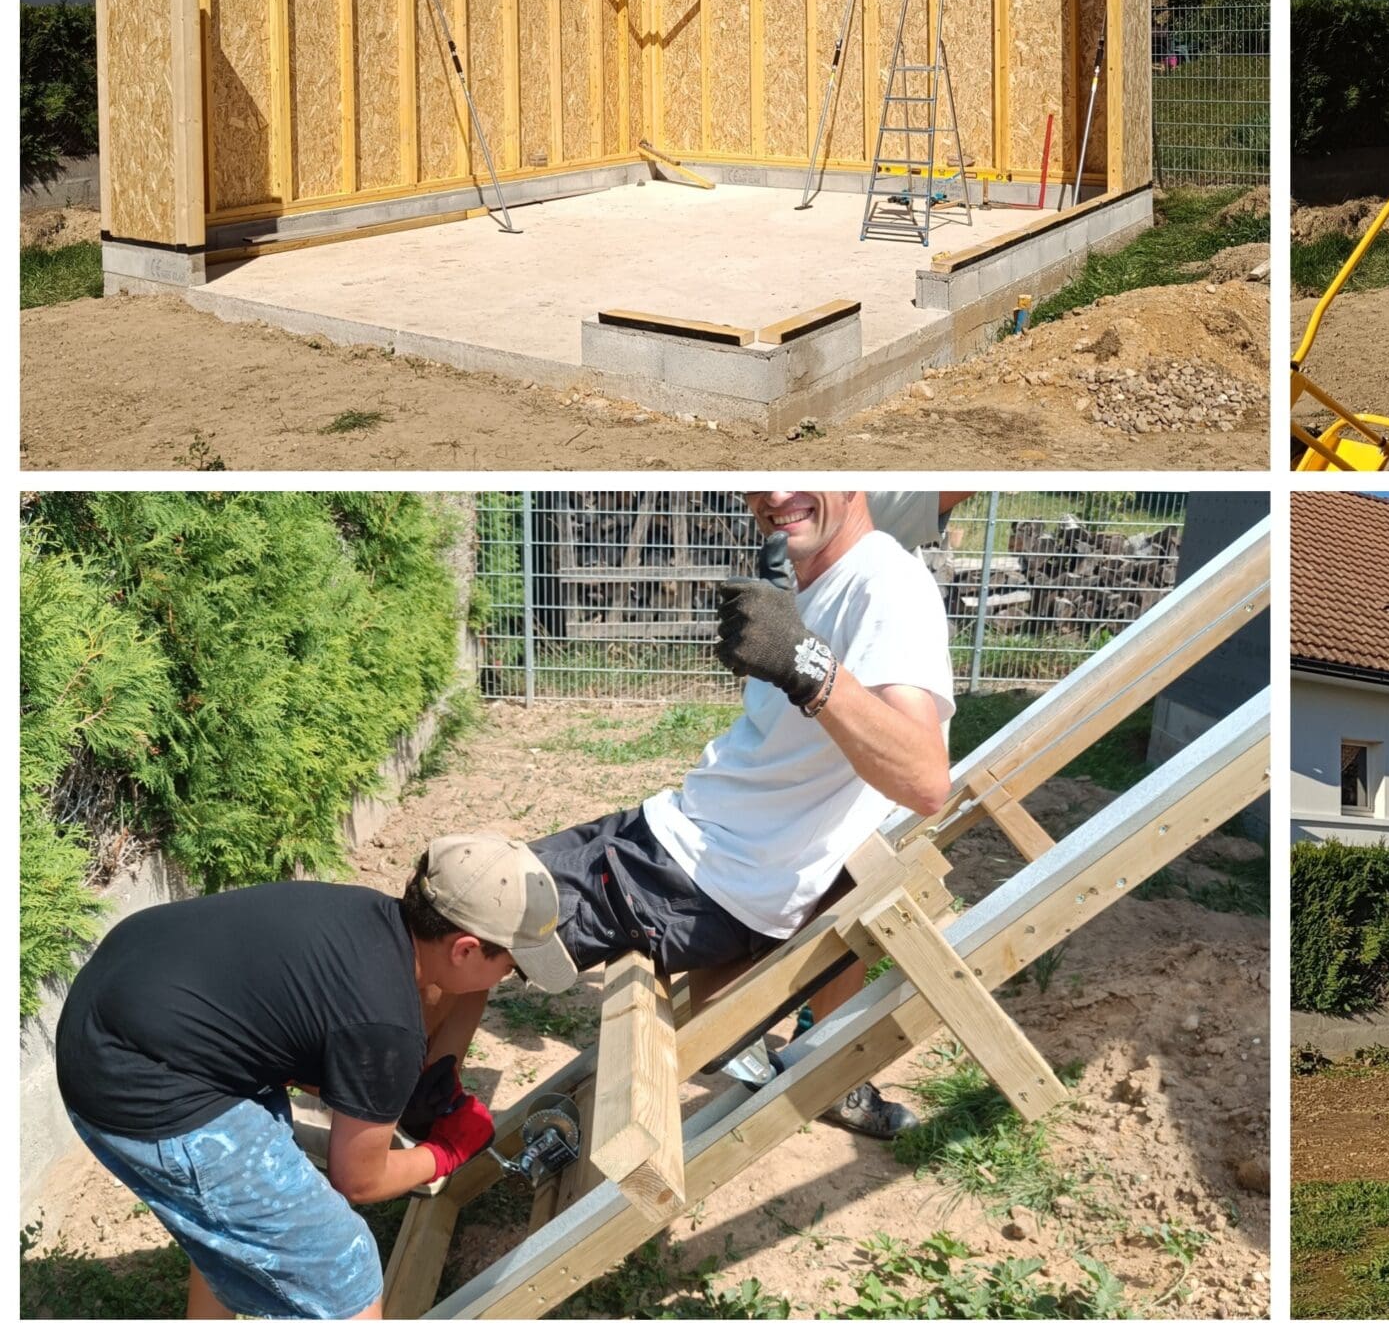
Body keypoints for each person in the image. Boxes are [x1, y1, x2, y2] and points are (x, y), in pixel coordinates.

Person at [447, 492, 957, 1142]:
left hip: (705, 881)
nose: (775, 495)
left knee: (462, 915)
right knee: (468, 880)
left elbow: (925, 779)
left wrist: (808, 668)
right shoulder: (812, 581)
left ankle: (407, 1125)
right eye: (757, 477)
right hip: (677, 830)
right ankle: (427, 1104)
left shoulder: (886, 585)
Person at [53, 835, 574, 1320]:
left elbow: (298, 1027)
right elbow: (359, 1179)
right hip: (138, 1077)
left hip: (121, 1006)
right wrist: (448, 1152)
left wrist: (385, 1090)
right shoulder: (386, 1024)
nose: (509, 978)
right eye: (512, 966)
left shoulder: (368, 916)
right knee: (344, 1270)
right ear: (465, 949)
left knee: (248, 1217)